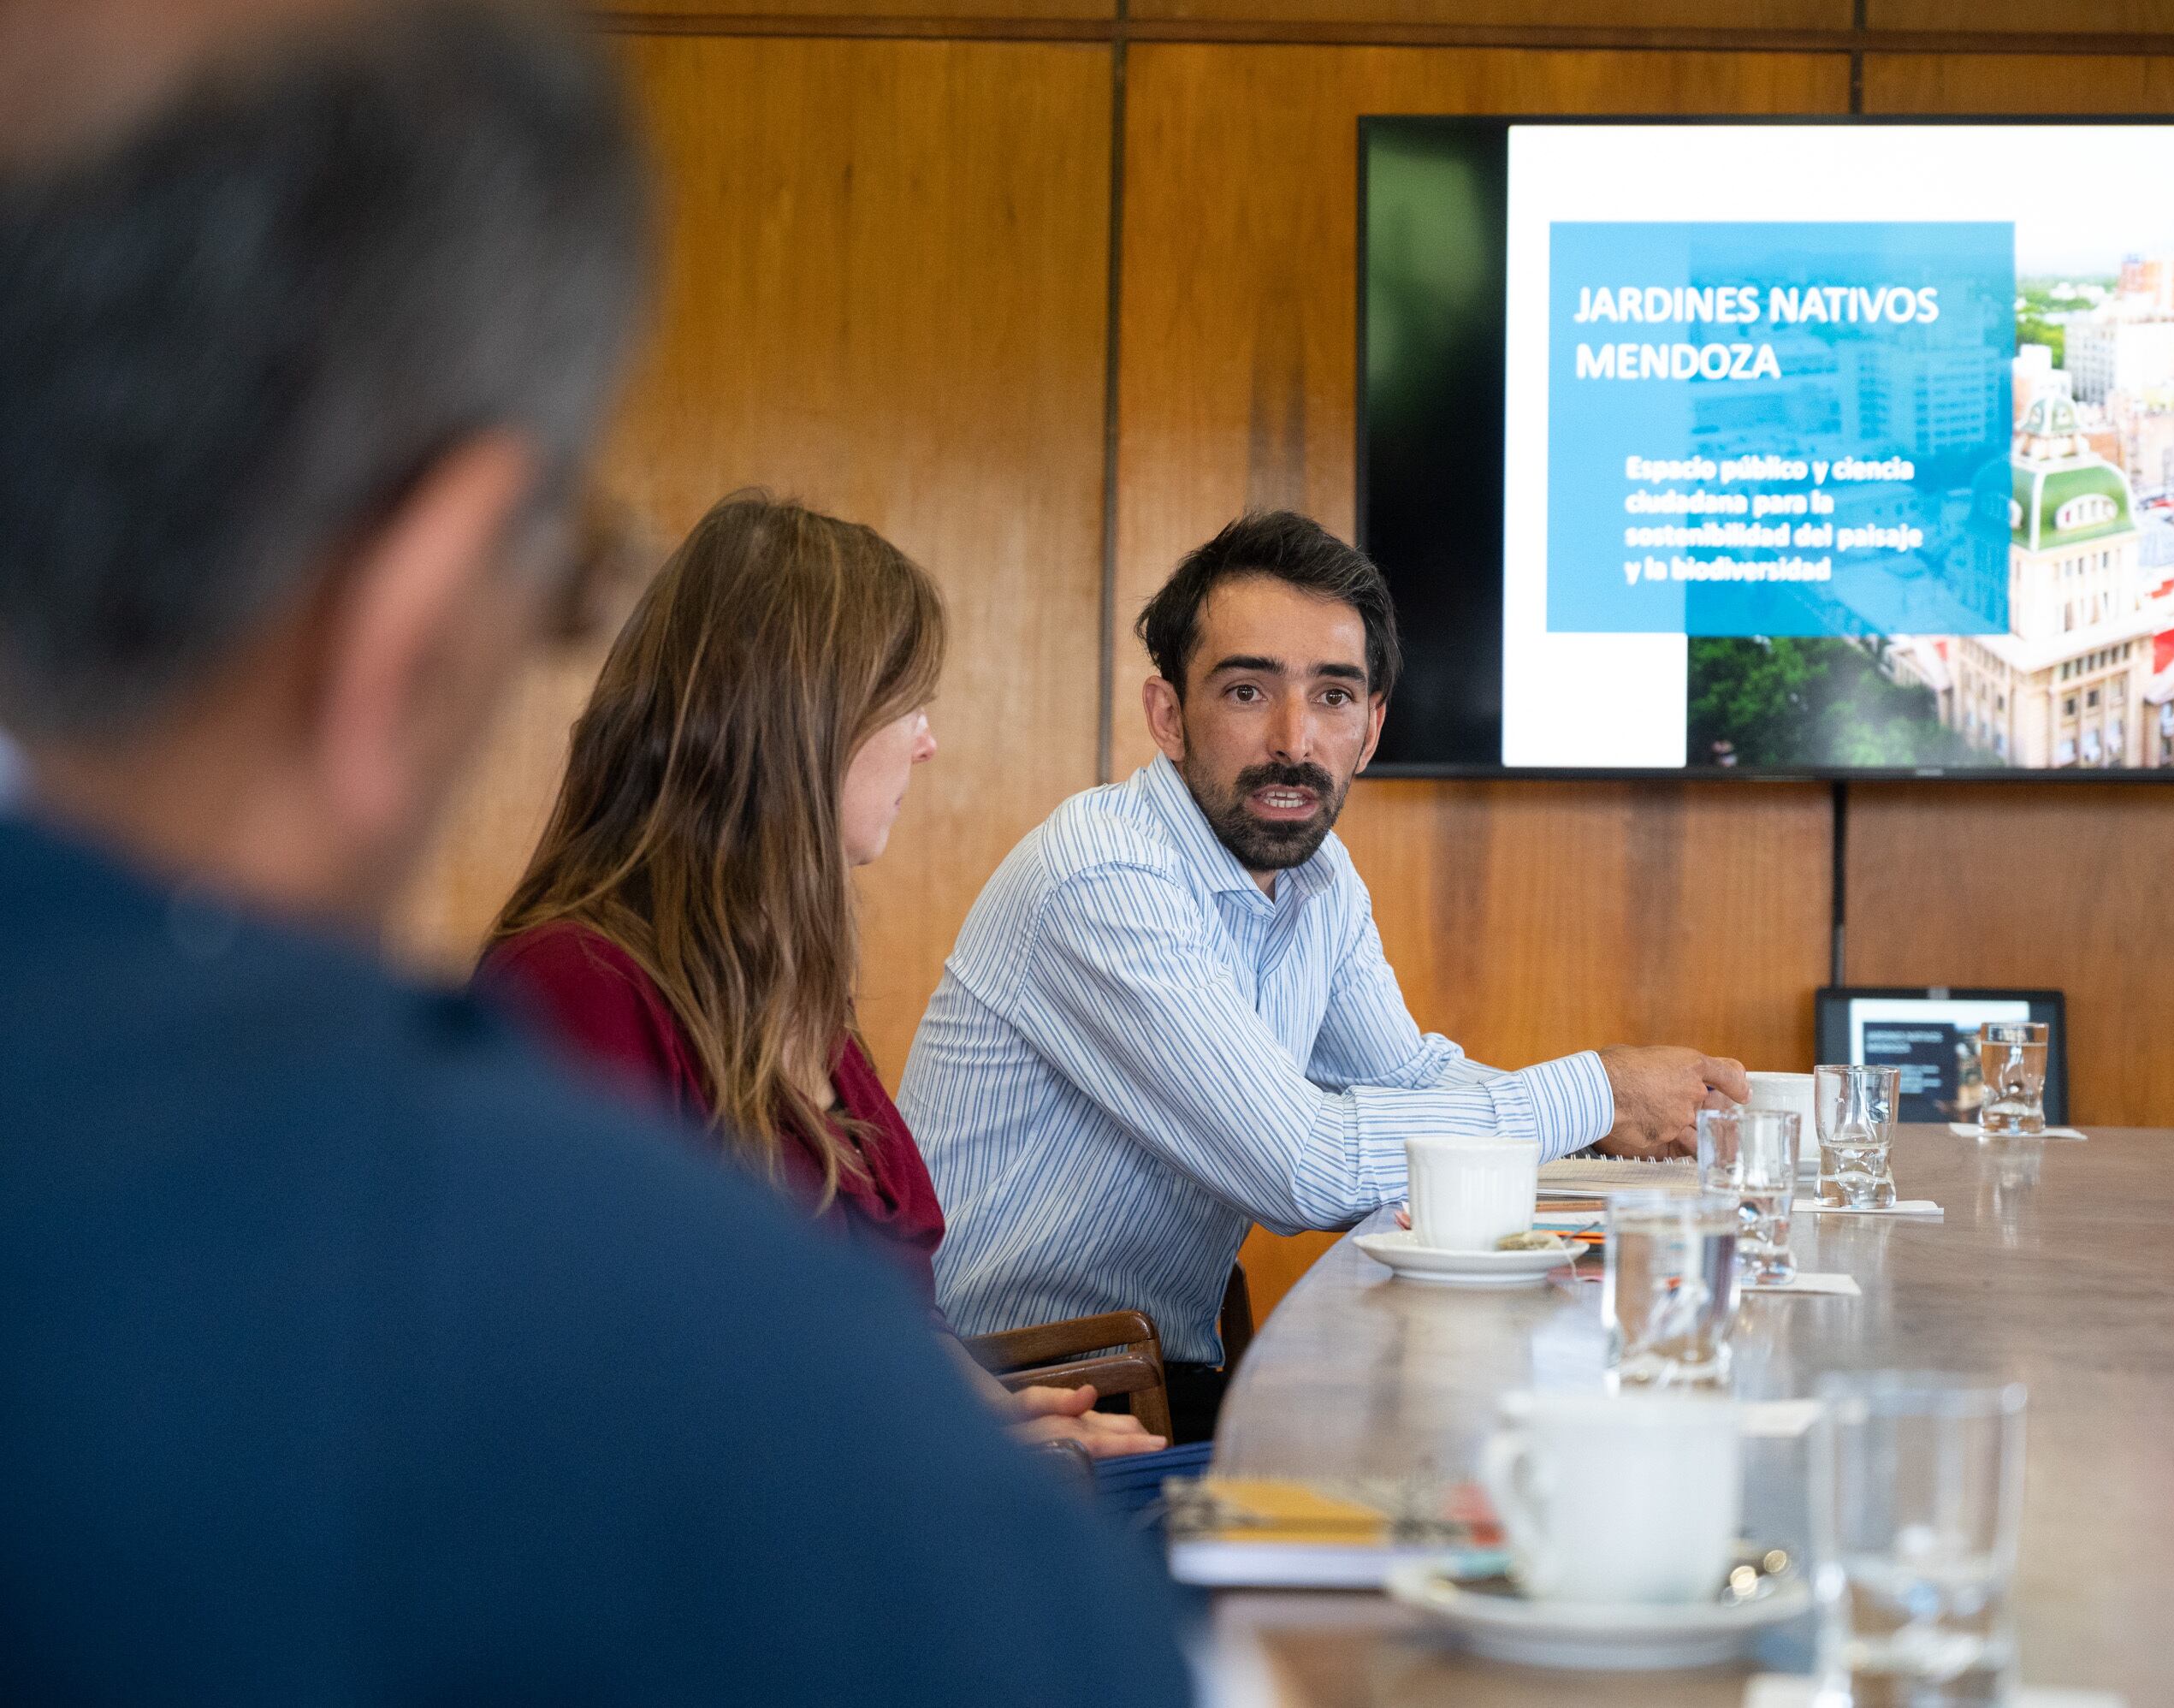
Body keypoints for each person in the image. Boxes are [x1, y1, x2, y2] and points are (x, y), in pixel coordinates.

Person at [0, 3, 1188, 1702]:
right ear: (410, 610)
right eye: (551, 581)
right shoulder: (542, 1153)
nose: (932, 740)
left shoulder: (780, 1018)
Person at [901, 510, 1747, 1441]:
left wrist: (1632, 1137)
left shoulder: (1317, 877)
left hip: (1156, 1375)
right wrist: (1597, 1091)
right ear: (1167, 716)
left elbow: (1411, 1080)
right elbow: (1307, 1166)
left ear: (1373, 726)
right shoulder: (1103, 873)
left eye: (1335, 696)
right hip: (1012, 1407)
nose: (1295, 741)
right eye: (1247, 692)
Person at [477, 490, 1160, 1460]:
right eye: (907, 706)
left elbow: (871, 1315)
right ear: (803, 719)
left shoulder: (790, 998)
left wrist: (972, 1410)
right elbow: (605, 1391)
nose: (928, 742)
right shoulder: (573, 987)